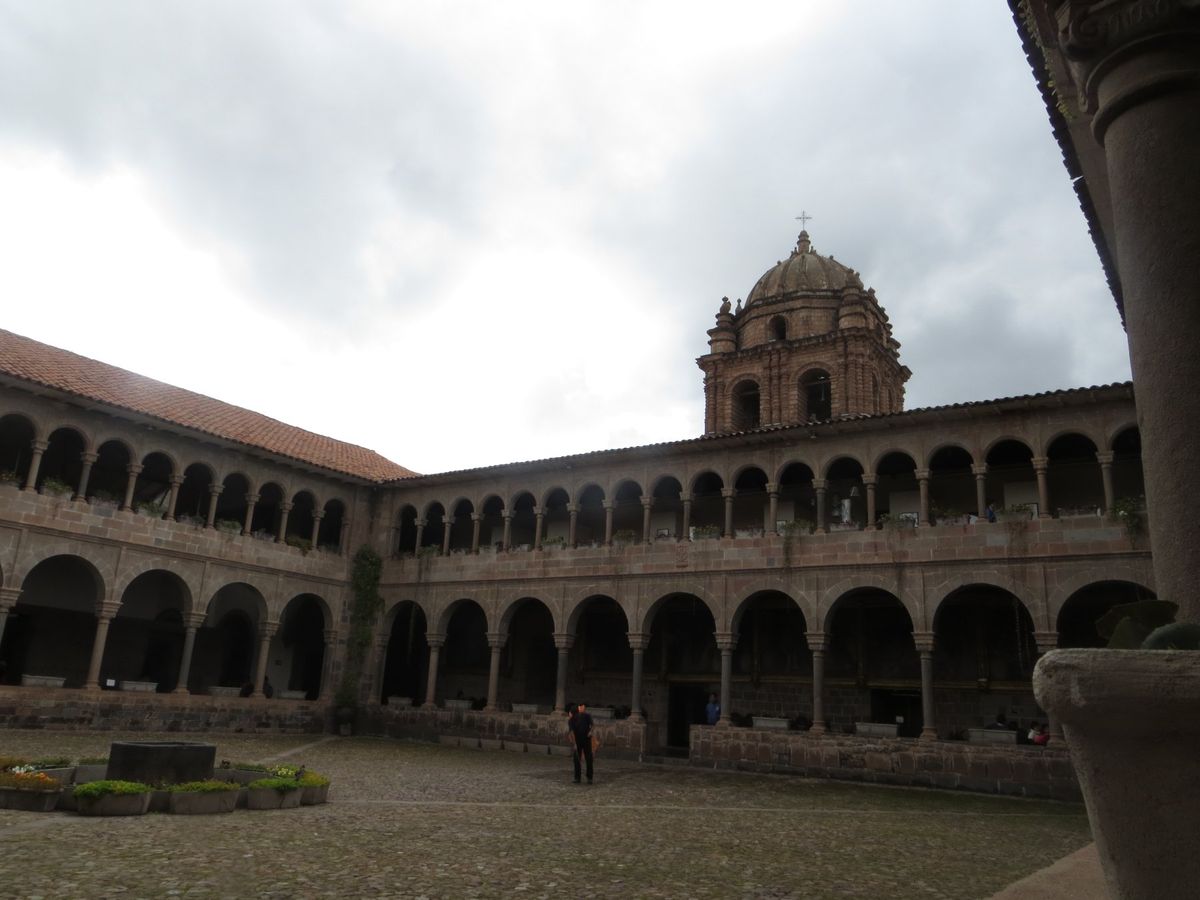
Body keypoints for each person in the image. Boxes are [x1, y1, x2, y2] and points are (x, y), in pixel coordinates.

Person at [568, 702, 594, 784]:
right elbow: (572, 732)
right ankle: (577, 778)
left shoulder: (586, 716)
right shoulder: (571, 720)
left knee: (589, 759)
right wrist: (575, 744)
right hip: (578, 740)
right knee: (576, 759)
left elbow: (592, 725)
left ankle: (589, 777)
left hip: (586, 739)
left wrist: (591, 731)